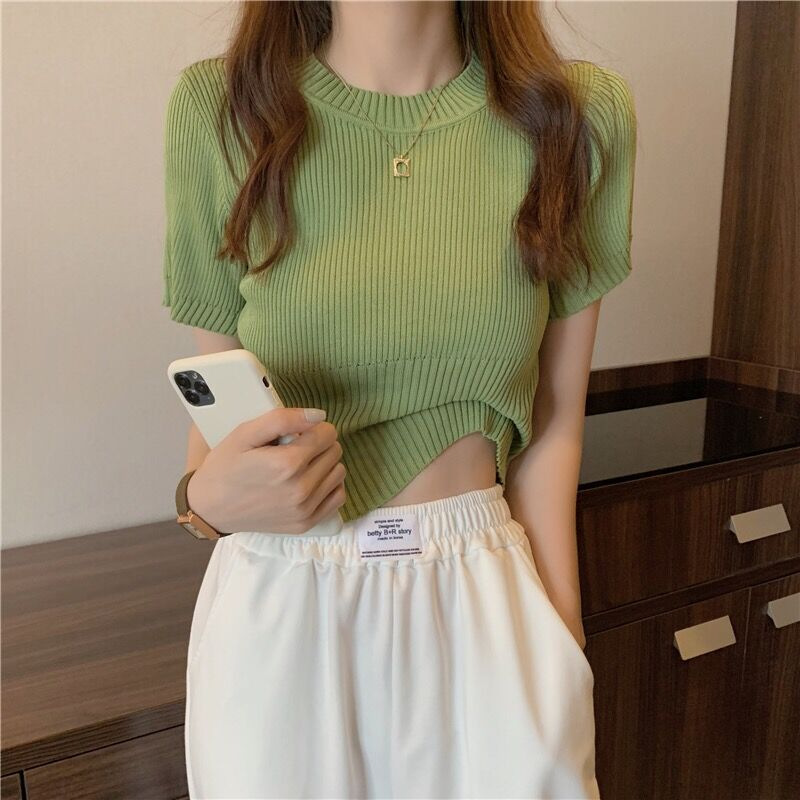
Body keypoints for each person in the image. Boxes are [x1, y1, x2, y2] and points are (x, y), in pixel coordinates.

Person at [162, 1, 636, 797]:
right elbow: (215, 431)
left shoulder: (577, 116)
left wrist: (563, 639)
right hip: (282, 603)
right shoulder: (224, 108)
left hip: (484, 601)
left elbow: (554, 429)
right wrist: (201, 500)